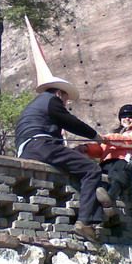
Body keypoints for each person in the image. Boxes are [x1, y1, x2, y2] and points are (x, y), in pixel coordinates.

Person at [15, 81, 111, 242]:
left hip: (26, 150)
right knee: (91, 169)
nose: (66, 103)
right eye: (66, 99)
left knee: (74, 163)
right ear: (59, 93)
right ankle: (86, 221)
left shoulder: (33, 107)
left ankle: (96, 208)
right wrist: (96, 136)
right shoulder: (51, 100)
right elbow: (71, 122)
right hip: (42, 145)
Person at [81, 104, 132, 225]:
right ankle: (103, 214)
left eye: (130, 117)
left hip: (124, 164)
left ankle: (109, 201)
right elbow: (101, 149)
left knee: (117, 177)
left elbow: (124, 141)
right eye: (124, 116)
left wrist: (104, 138)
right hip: (106, 163)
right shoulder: (115, 136)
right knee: (98, 181)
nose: (127, 119)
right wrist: (86, 148)